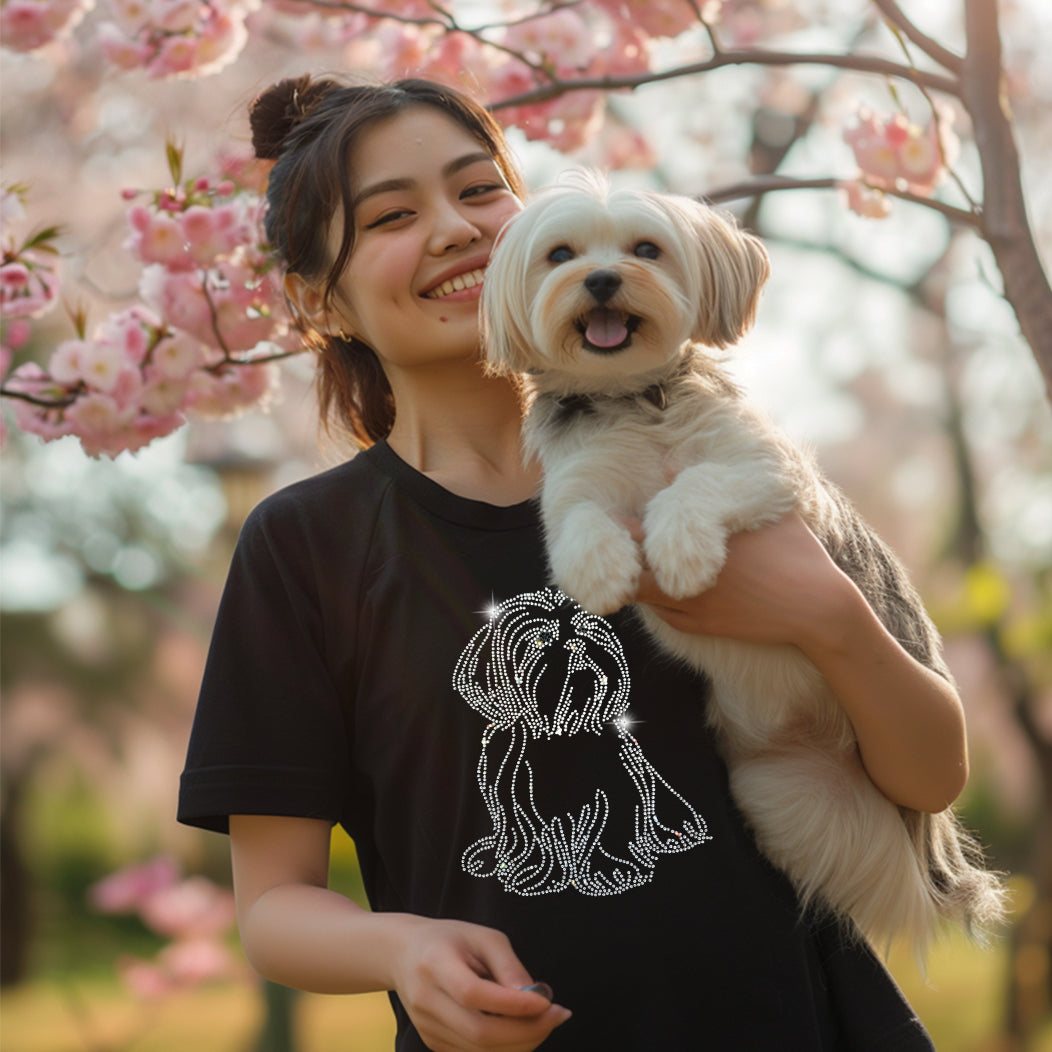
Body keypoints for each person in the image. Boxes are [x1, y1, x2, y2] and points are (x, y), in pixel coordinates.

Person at [178, 73, 969, 1052]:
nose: (456, 228)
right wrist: (398, 950)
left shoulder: (711, 460)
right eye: (392, 214)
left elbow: (929, 773)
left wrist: (828, 619)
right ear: (317, 300)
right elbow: (273, 908)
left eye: (478, 189)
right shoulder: (306, 546)